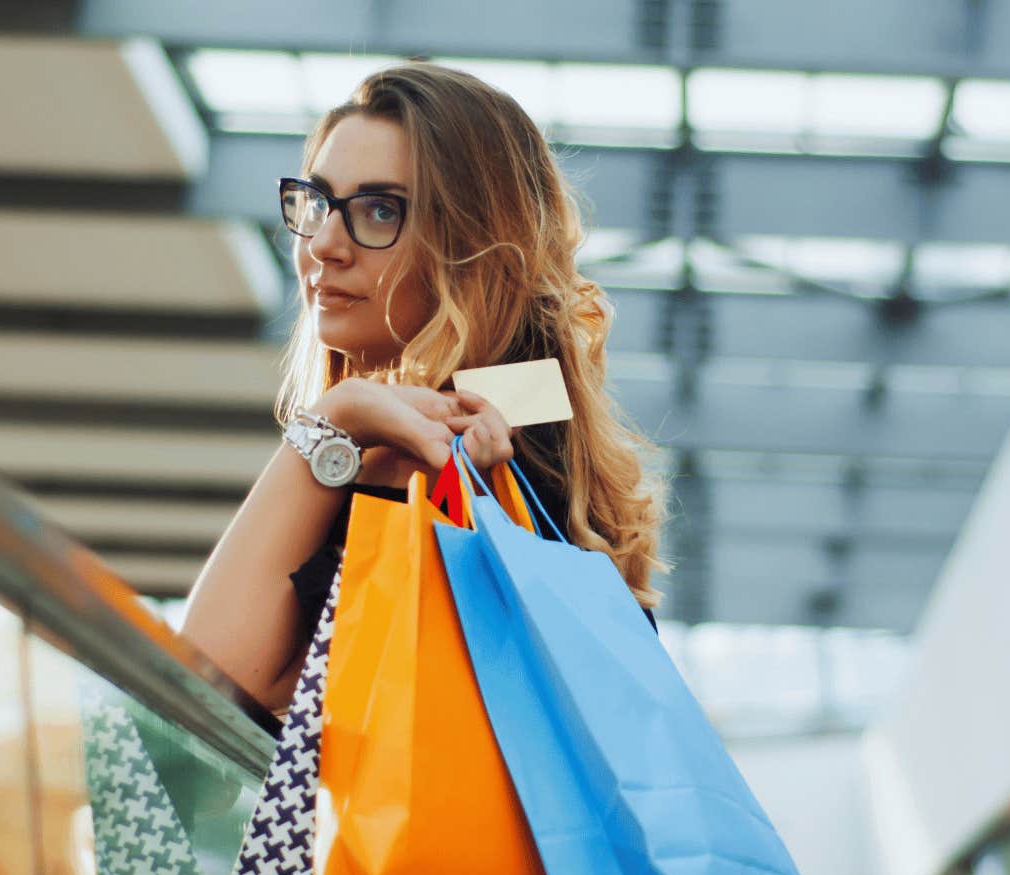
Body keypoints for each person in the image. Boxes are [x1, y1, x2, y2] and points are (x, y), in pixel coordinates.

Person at [182, 62, 667, 713]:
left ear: (475, 245)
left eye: (380, 210)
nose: (325, 243)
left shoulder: (444, 453)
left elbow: (208, 690)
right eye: (319, 201)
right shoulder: (539, 423)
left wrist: (332, 420)